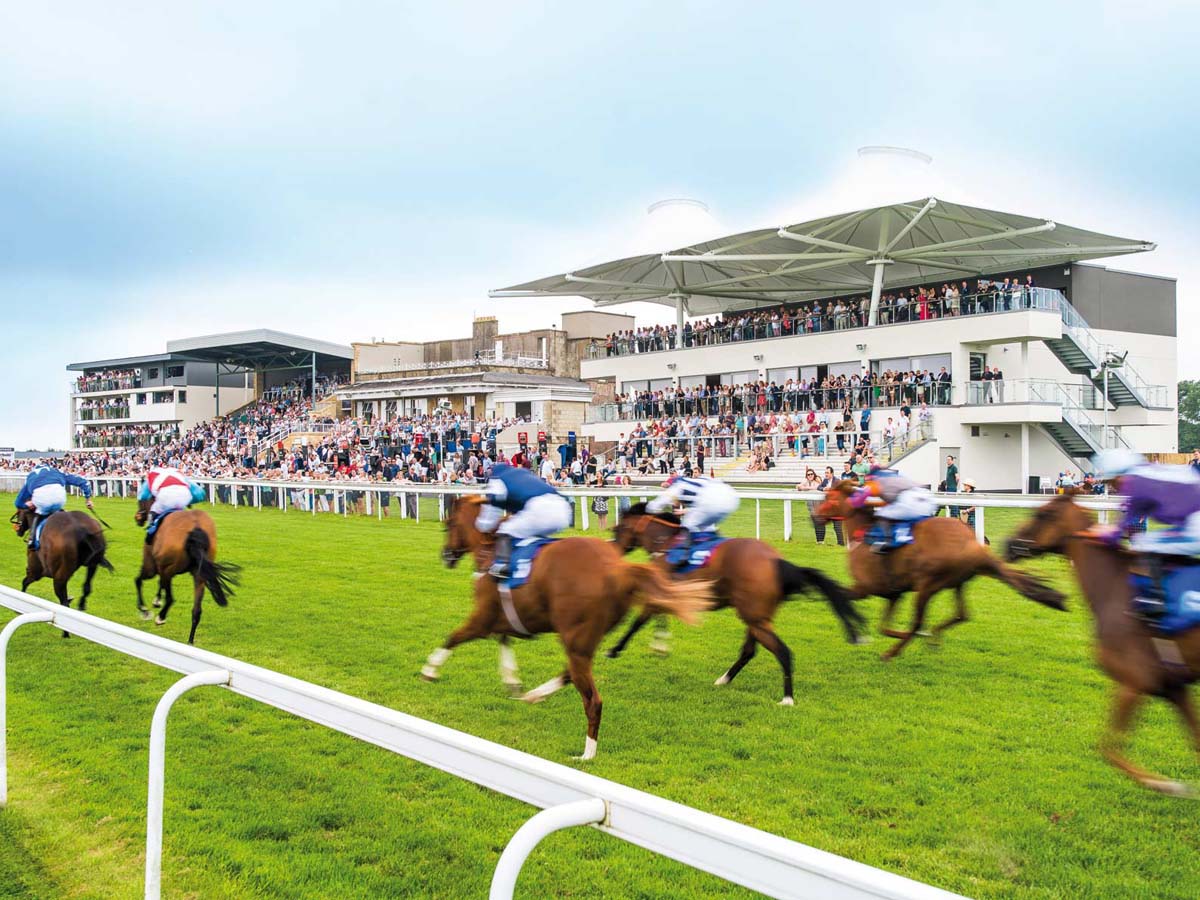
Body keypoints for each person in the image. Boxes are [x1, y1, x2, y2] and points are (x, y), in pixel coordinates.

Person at [1092, 448, 1200, 615]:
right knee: (1156, 541)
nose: (1113, 486)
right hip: (1191, 521)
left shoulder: (1134, 482)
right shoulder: (1146, 473)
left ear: (1119, 475)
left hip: (1195, 525)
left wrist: (1099, 535)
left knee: (1145, 541)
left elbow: (1119, 530)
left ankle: (1157, 599)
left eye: (1112, 481)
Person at [476, 462, 573, 579]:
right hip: (562, 508)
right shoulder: (522, 472)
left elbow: (489, 519)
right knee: (531, 535)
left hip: (539, 509)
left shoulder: (497, 480)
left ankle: (502, 566)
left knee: (506, 529)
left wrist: (480, 526)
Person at [646, 472, 739, 562]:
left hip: (712, 501)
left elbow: (654, 506)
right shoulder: (696, 481)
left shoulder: (676, 487)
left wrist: (646, 511)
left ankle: (683, 556)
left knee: (686, 525)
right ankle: (717, 545)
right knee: (705, 524)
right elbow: (700, 505)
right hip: (731, 498)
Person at [14, 463, 94, 550]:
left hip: (42, 501)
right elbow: (84, 482)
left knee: (38, 514)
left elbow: (18, 503)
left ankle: (33, 541)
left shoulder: (31, 476)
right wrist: (88, 499)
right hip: (60, 499)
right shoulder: (57, 472)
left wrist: (26, 505)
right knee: (58, 511)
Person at [858, 468, 940, 553]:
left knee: (881, 513)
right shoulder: (899, 476)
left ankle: (889, 541)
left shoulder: (879, 481)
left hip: (909, 500)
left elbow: (861, 499)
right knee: (903, 515)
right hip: (928, 500)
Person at [138, 466, 208, 544]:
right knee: (181, 510)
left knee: (153, 510)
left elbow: (143, 496)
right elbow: (200, 494)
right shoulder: (178, 474)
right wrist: (189, 502)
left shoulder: (152, 475)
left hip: (164, 497)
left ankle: (150, 532)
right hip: (184, 496)